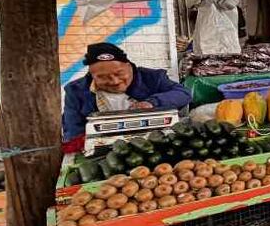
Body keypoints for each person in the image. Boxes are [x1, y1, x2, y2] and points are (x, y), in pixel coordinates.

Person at [62, 43, 192, 152]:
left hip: (155, 144)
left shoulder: (152, 78)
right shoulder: (76, 91)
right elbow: (73, 132)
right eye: (102, 77)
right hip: (105, 151)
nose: (114, 81)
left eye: (119, 73)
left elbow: (183, 94)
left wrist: (152, 103)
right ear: (92, 75)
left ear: (129, 66)